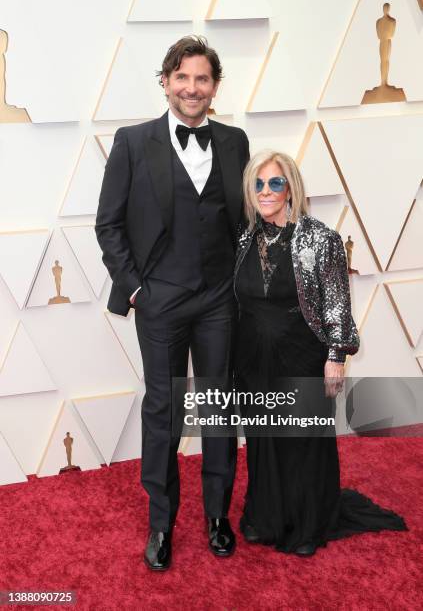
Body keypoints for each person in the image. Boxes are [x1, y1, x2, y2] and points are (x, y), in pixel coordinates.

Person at [95, 36, 249, 571]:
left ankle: (216, 517)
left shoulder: (234, 141)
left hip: (218, 302)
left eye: (202, 79)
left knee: (219, 408)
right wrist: (136, 288)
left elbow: (245, 224)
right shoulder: (133, 142)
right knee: (162, 411)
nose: (191, 88)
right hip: (159, 300)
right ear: (165, 82)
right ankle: (161, 524)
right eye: (181, 78)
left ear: (215, 87)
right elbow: (108, 224)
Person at [234, 150, 407, 557]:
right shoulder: (245, 238)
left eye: (275, 182)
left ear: (291, 186)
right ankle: (267, 518)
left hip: (301, 355)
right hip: (252, 359)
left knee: (302, 440)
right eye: (258, 184)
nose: (266, 191)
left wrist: (336, 355)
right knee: (262, 440)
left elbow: (335, 304)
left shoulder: (319, 238)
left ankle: (307, 524)